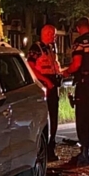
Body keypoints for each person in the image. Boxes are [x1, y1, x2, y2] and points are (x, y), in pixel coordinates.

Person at [63, 17, 89, 166]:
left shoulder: (80, 42)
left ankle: (84, 151)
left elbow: (76, 64)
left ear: (78, 28)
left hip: (84, 84)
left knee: (82, 118)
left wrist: (65, 72)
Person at [27, 24, 62, 160]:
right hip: (43, 87)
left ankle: (51, 147)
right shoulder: (36, 48)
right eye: (52, 34)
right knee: (43, 119)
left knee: (53, 118)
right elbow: (30, 67)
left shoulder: (52, 48)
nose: (54, 37)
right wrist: (45, 81)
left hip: (53, 87)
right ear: (45, 34)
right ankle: (42, 149)